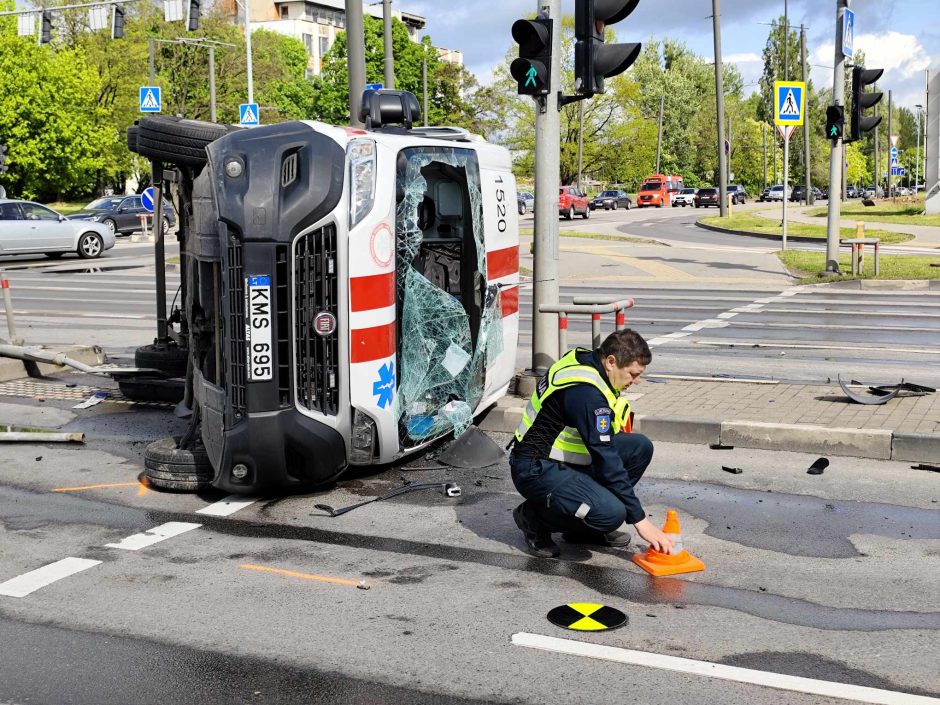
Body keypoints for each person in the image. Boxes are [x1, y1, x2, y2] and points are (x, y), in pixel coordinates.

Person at [508, 329, 673, 558]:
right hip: (535, 467)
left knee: (640, 448)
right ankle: (533, 517)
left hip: (563, 457)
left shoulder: (590, 362)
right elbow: (606, 458)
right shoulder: (586, 393)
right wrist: (640, 520)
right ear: (611, 361)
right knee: (611, 513)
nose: (636, 382)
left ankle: (583, 530)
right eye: (633, 374)